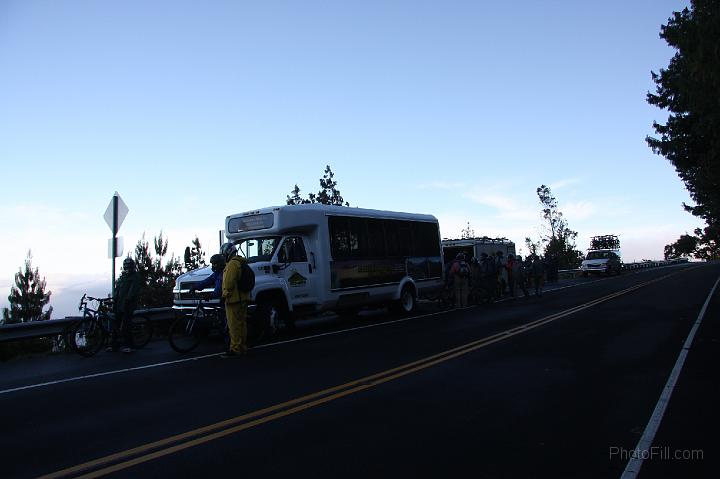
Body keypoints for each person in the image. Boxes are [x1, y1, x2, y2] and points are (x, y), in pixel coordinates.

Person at [220, 242, 250, 358]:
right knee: (242, 324)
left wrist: (224, 296)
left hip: (233, 299)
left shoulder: (232, 264)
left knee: (233, 326)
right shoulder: (241, 262)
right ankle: (242, 347)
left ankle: (235, 349)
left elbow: (229, 282)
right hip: (243, 298)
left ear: (228, 252)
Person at [110, 257, 140, 353]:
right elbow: (117, 289)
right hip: (119, 304)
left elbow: (133, 290)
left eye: (129, 266)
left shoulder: (135, 277)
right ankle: (115, 345)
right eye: (126, 267)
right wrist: (114, 298)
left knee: (126, 325)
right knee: (116, 324)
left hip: (128, 304)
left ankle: (130, 346)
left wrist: (128, 299)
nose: (127, 268)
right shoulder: (122, 277)